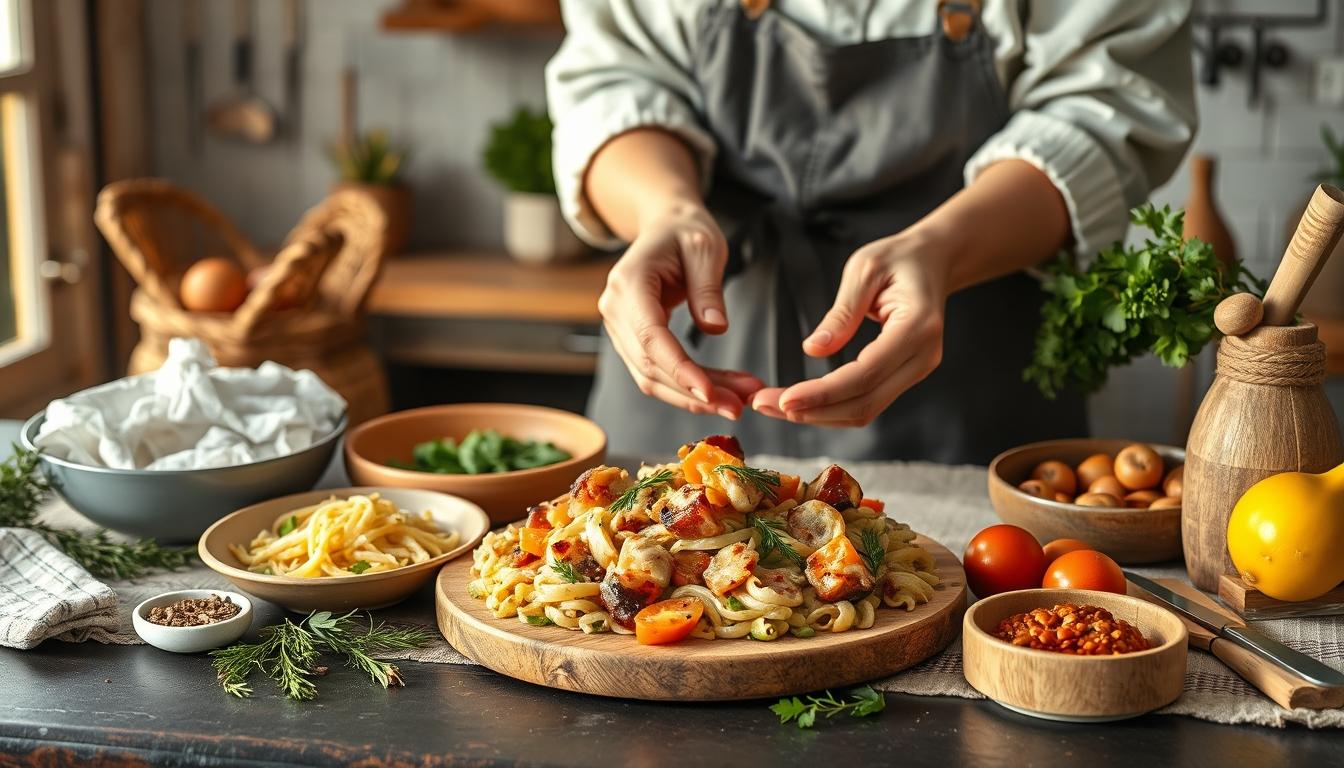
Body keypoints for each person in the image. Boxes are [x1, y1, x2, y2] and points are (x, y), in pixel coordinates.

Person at [545, 0, 1196, 463]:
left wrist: (940, 251)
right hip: (691, 374)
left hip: (962, 391)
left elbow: (1102, 112)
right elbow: (614, 79)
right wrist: (665, 211)